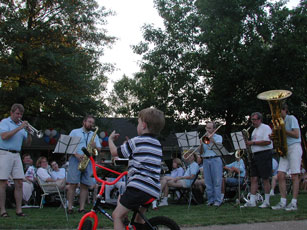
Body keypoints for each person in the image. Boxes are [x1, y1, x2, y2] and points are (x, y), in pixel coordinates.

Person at [108, 108, 165, 230]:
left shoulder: (136, 142)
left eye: (138, 123)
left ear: (143, 125)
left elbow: (114, 152)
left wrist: (110, 140)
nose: (138, 126)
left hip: (139, 187)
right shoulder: (157, 144)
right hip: (153, 188)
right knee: (138, 220)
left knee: (116, 215)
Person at [0, 103, 32, 217]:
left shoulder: (21, 125)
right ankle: (2, 211)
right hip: (4, 153)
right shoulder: (5, 122)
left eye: (21, 114)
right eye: (17, 113)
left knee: (19, 182)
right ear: (11, 113)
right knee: (3, 183)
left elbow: (27, 143)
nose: (19, 116)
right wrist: (19, 128)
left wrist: (28, 132)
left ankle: (19, 210)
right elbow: (4, 136)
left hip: (17, 154)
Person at [66, 115, 101, 214]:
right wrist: (76, 155)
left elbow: (98, 151)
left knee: (85, 185)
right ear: (84, 122)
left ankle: (81, 208)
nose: (91, 124)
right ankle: (70, 207)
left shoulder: (94, 134)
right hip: (75, 159)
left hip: (88, 160)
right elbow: (68, 146)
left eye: (92, 123)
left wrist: (95, 147)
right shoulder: (74, 132)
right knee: (73, 184)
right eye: (89, 122)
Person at [272, 103, 303, 211]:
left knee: (295, 175)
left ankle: (294, 202)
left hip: (294, 147)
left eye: (279, 112)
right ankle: (283, 201)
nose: (278, 114)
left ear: (285, 110)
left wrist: (283, 131)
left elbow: (296, 134)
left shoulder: (291, 118)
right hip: (284, 149)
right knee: (280, 175)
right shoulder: (279, 122)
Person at [244, 112, 273, 208]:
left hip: (264, 154)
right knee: (254, 178)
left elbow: (267, 141)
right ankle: (252, 201)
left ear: (260, 119)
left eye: (255, 120)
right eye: (252, 120)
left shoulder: (266, 128)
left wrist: (253, 143)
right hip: (255, 155)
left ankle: (267, 200)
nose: (253, 122)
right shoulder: (254, 130)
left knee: (265, 178)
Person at [199, 121, 223, 207]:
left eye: (209, 128)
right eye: (206, 128)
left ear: (214, 129)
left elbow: (219, 149)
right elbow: (201, 152)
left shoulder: (218, 137)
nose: (207, 129)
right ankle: (210, 200)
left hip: (215, 159)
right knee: (208, 182)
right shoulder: (203, 138)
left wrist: (211, 140)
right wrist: (201, 144)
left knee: (217, 181)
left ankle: (217, 201)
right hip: (206, 160)